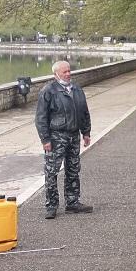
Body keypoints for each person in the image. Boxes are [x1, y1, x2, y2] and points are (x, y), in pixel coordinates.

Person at [35, 60, 93, 219]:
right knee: (51, 172)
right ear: (56, 74)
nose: (68, 74)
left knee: (73, 169)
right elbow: (41, 117)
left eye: (69, 71)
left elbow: (84, 112)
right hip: (55, 137)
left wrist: (86, 132)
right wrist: (45, 139)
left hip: (73, 136)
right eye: (64, 72)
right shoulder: (48, 91)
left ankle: (73, 202)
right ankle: (51, 205)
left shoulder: (77, 89)